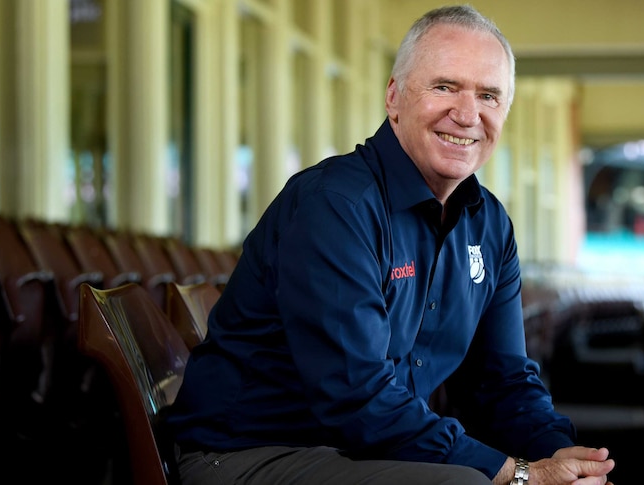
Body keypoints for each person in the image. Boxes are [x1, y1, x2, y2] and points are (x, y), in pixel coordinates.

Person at [168, 5, 616, 485]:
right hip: (249, 453)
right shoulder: (335, 204)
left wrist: (563, 456)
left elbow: (501, 381)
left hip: (361, 453)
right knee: (465, 483)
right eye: (445, 87)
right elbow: (356, 396)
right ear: (394, 96)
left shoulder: (490, 227)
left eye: (489, 95)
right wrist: (520, 474)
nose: (467, 115)